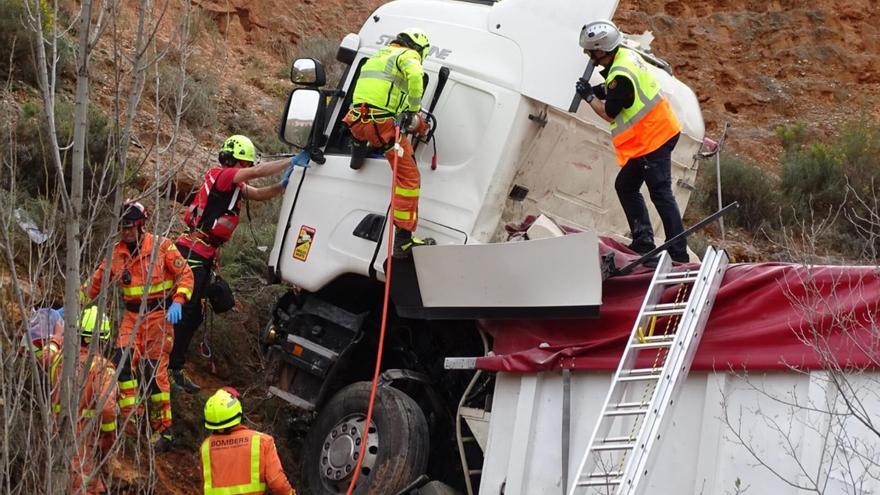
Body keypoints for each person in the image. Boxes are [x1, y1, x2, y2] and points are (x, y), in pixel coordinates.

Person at [169, 135, 306, 394]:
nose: (245, 169)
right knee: (186, 312)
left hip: (204, 254)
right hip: (192, 252)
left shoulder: (234, 186)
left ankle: (173, 364)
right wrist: (291, 161)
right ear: (231, 161)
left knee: (195, 313)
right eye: (243, 164)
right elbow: (257, 172)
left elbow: (260, 193)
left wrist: (283, 184)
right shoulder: (223, 175)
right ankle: (168, 367)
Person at [82, 200, 194, 452]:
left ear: (141, 226)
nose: (126, 232)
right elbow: (94, 284)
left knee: (156, 377)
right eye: (122, 228)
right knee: (122, 364)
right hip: (132, 318)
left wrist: (179, 300)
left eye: (130, 227)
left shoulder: (162, 247)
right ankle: (132, 419)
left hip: (159, 317)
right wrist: (71, 306)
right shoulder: (116, 253)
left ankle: (163, 430)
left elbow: (185, 275)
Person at [575, 20, 689, 263]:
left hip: (653, 138)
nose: (588, 56)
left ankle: (678, 253)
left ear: (602, 50)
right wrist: (601, 89)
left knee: (660, 193)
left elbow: (609, 112)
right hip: (658, 131)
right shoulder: (625, 55)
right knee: (626, 186)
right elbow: (622, 89)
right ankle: (643, 241)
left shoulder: (620, 74)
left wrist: (589, 96)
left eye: (590, 51)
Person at [343, 28, 436, 258]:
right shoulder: (408, 56)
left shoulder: (378, 55)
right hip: (381, 126)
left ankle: (358, 150)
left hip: (356, 120)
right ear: (418, 48)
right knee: (409, 179)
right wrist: (414, 110)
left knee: (364, 132)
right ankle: (403, 241)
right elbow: (415, 76)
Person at [26, 306, 118, 494]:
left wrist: (56, 340)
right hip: (85, 440)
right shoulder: (103, 369)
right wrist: (108, 439)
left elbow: (44, 357)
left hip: (55, 432)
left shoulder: (61, 358)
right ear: (104, 338)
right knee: (83, 486)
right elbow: (107, 410)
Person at [199, 388, 296, 495]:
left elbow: (205, 487)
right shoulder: (262, 442)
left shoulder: (205, 448)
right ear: (238, 413)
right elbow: (279, 485)